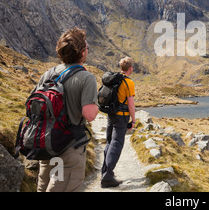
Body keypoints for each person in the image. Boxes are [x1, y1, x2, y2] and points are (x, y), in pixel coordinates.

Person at [36, 27, 99, 192]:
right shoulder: (86, 78)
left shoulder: (48, 74)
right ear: (82, 52)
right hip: (69, 147)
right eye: (86, 47)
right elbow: (89, 115)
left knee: (44, 187)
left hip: (46, 145)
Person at [101, 57, 136, 188]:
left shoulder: (115, 80)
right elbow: (131, 104)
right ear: (130, 69)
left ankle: (104, 172)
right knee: (117, 143)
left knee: (109, 142)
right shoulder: (128, 82)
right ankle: (108, 177)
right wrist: (133, 120)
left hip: (111, 114)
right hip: (121, 117)